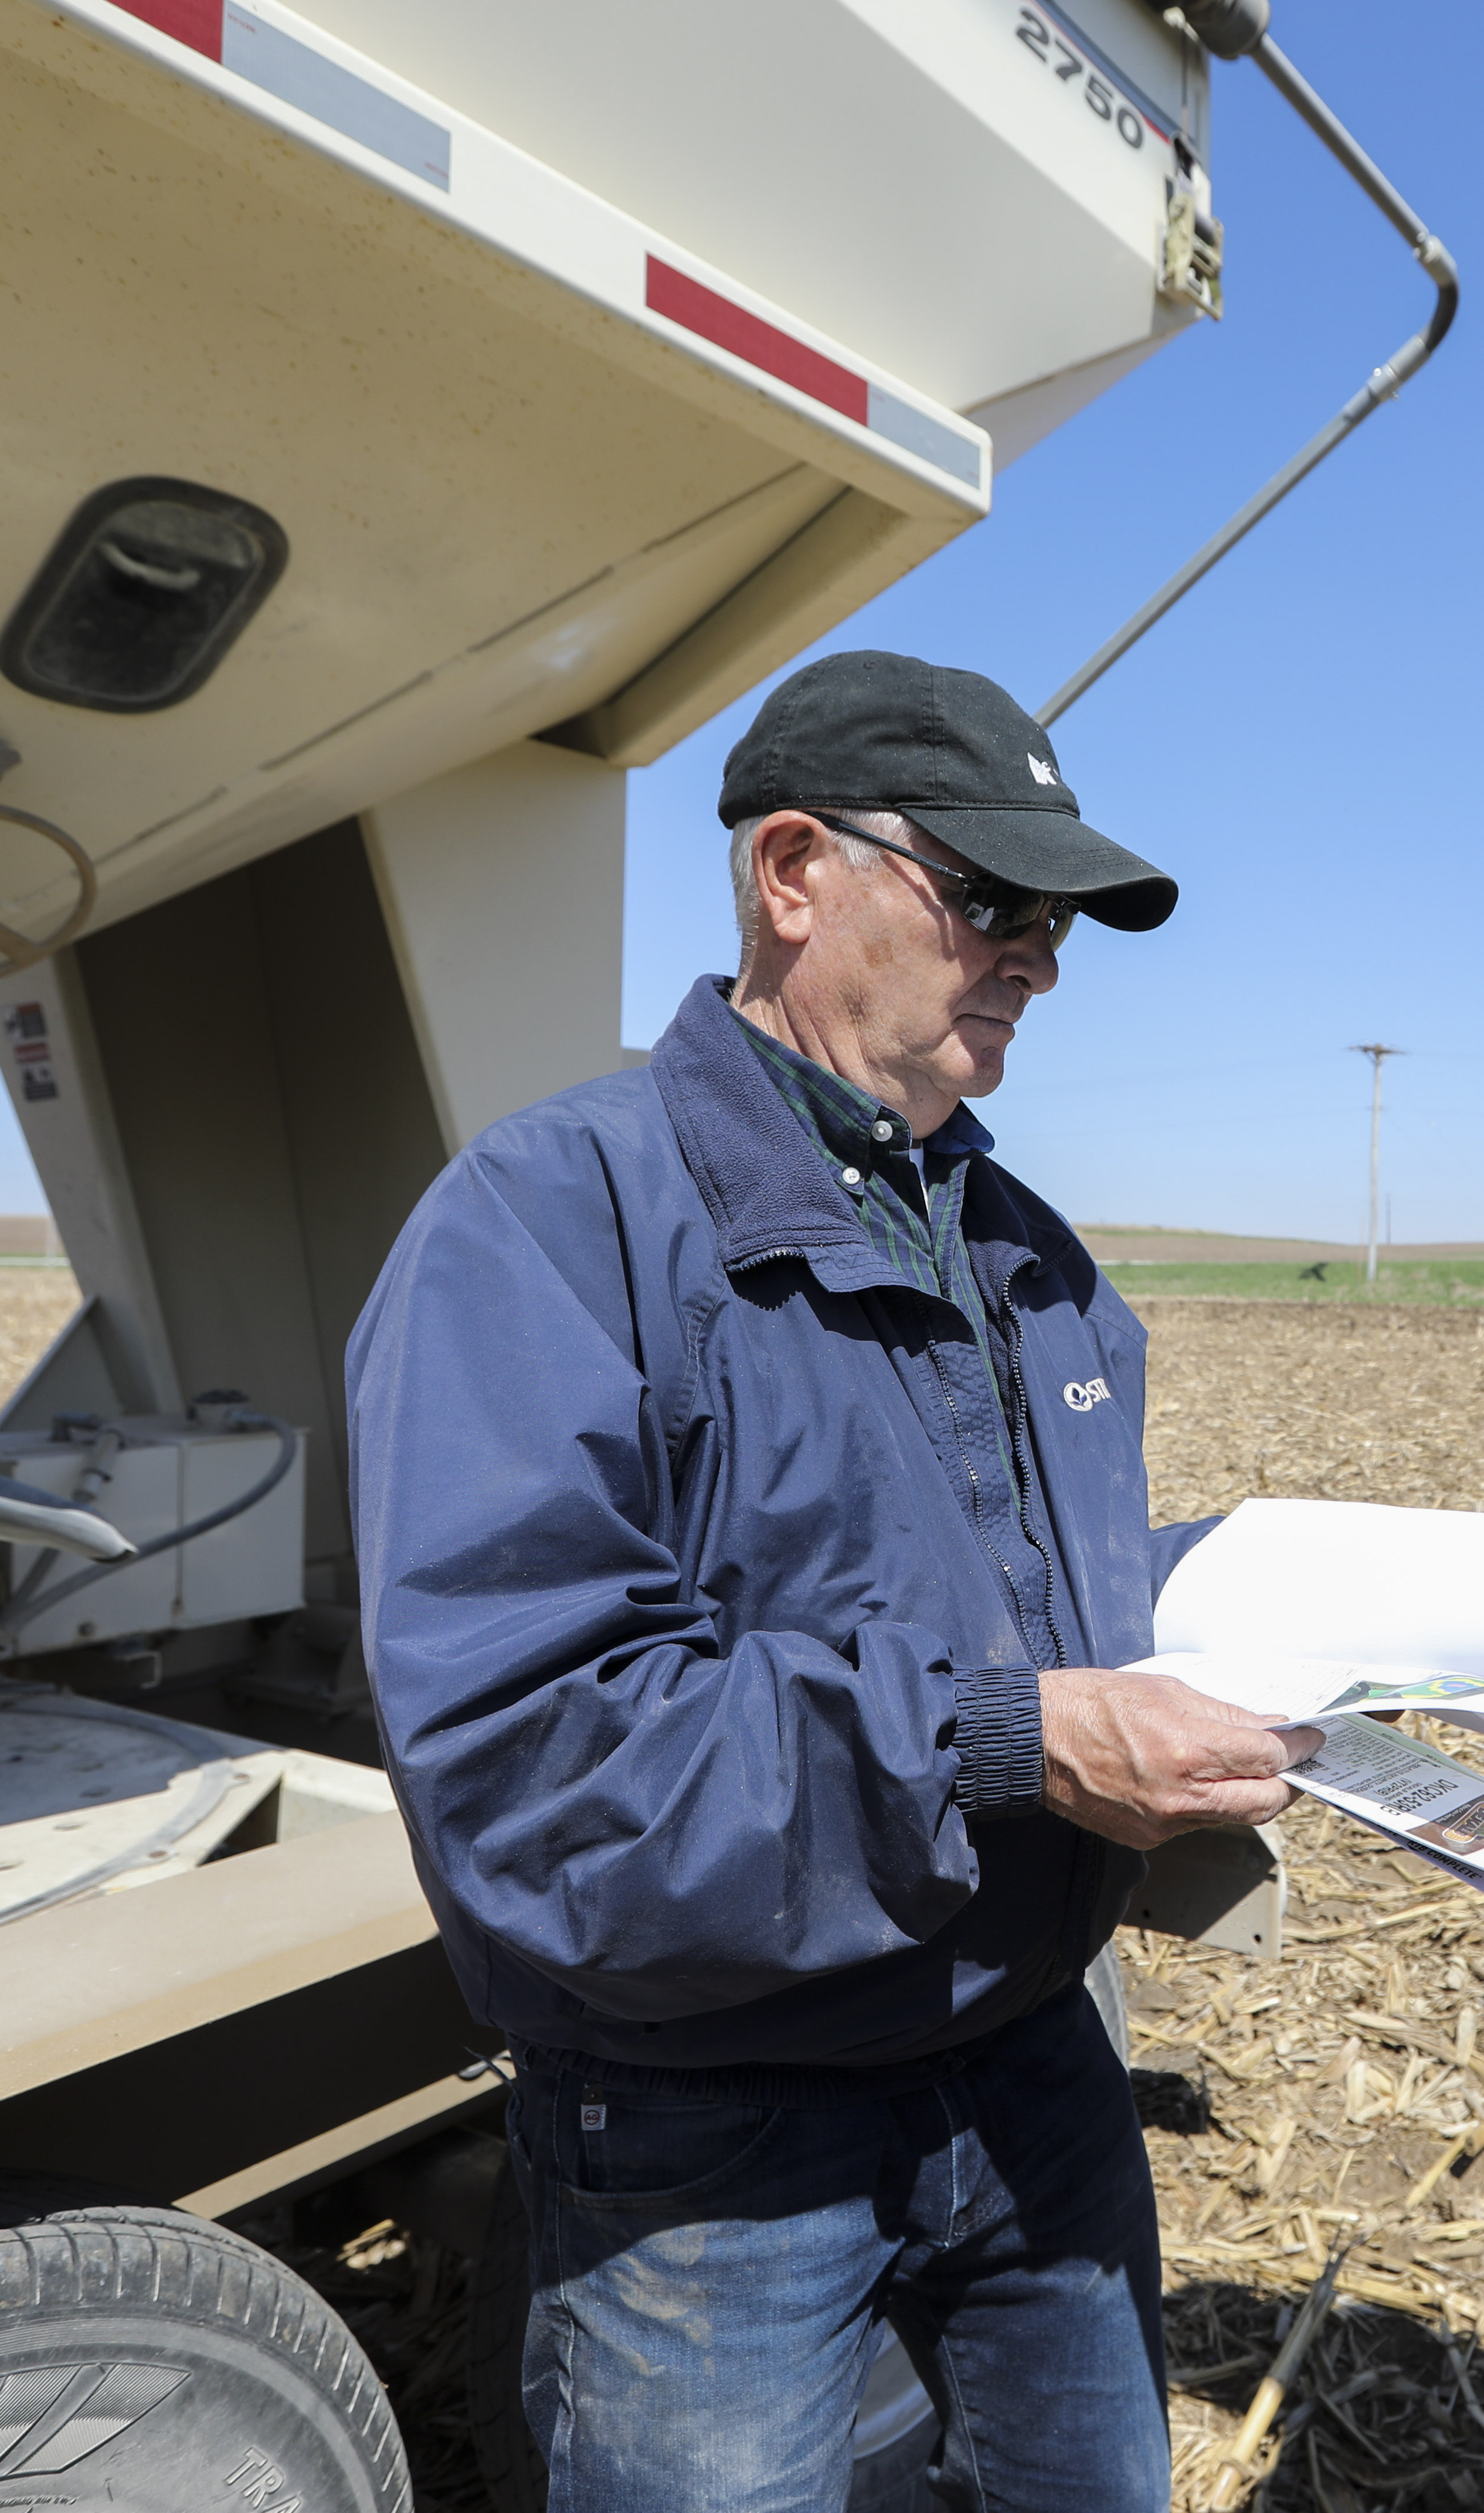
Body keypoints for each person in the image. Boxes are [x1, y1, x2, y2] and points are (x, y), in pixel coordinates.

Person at [347, 651, 1297, 2513]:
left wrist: (1333, 1612)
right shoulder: (550, 1224)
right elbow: (541, 1767)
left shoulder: (1022, 1249)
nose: (1040, 957)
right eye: (995, 903)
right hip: (714, 2133)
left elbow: (1050, 1610)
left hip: (1041, 2075)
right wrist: (1004, 1743)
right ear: (793, 873)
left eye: (1062, 922)